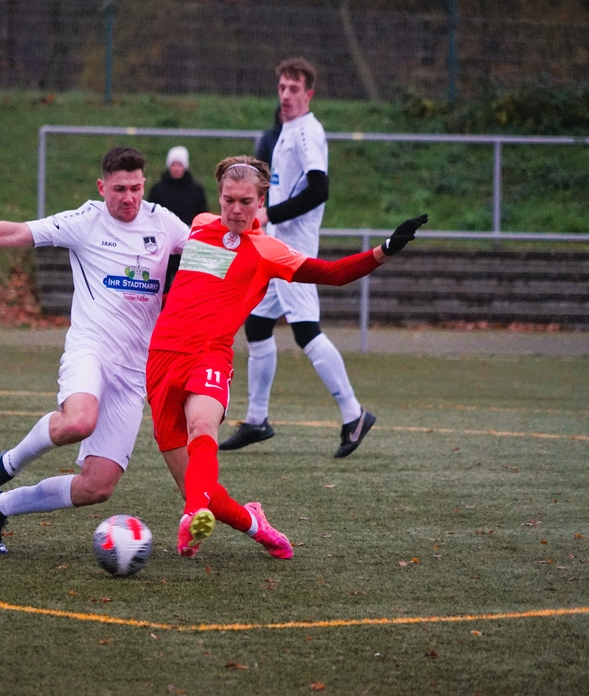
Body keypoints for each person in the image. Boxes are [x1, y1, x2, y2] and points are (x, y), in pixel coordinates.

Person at [146, 155, 426, 558]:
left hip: (209, 354)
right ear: (219, 197)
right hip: (161, 356)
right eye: (229, 200)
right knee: (195, 484)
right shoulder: (201, 224)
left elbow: (333, 274)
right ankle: (254, 525)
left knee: (202, 426)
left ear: (261, 202)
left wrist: (385, 250)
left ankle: (192, 516)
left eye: (246, 201)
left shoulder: (268, 251)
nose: (236, 209)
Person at [0, 146, 190, 554]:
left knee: (97, 487)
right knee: (79, 421)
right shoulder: (85, 221)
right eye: (119, 189)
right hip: (91, 350)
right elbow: (16, 232)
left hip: (135, 371)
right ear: (102, 187)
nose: (129, 197)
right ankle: (3, 467)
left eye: (135, 188)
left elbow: (209, 253)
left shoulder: (163, 222)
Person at [219, 57, 375, 459]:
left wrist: (270, 214)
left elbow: (319, 189)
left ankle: (354, 414)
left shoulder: (307, 131)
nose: (286, 95)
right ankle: (257, 420)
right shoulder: (287, 130)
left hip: (294, 252)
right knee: (257, 324)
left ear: (309, 94)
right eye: (282, 88)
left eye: (294, 89)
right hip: (277, 247)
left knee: (306, 332)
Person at [146, 146, 207, 228]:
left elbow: (202, 214)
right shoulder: (157, 189)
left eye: (179, 165)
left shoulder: (196, 190)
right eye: (173, 165)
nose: (176, 169)